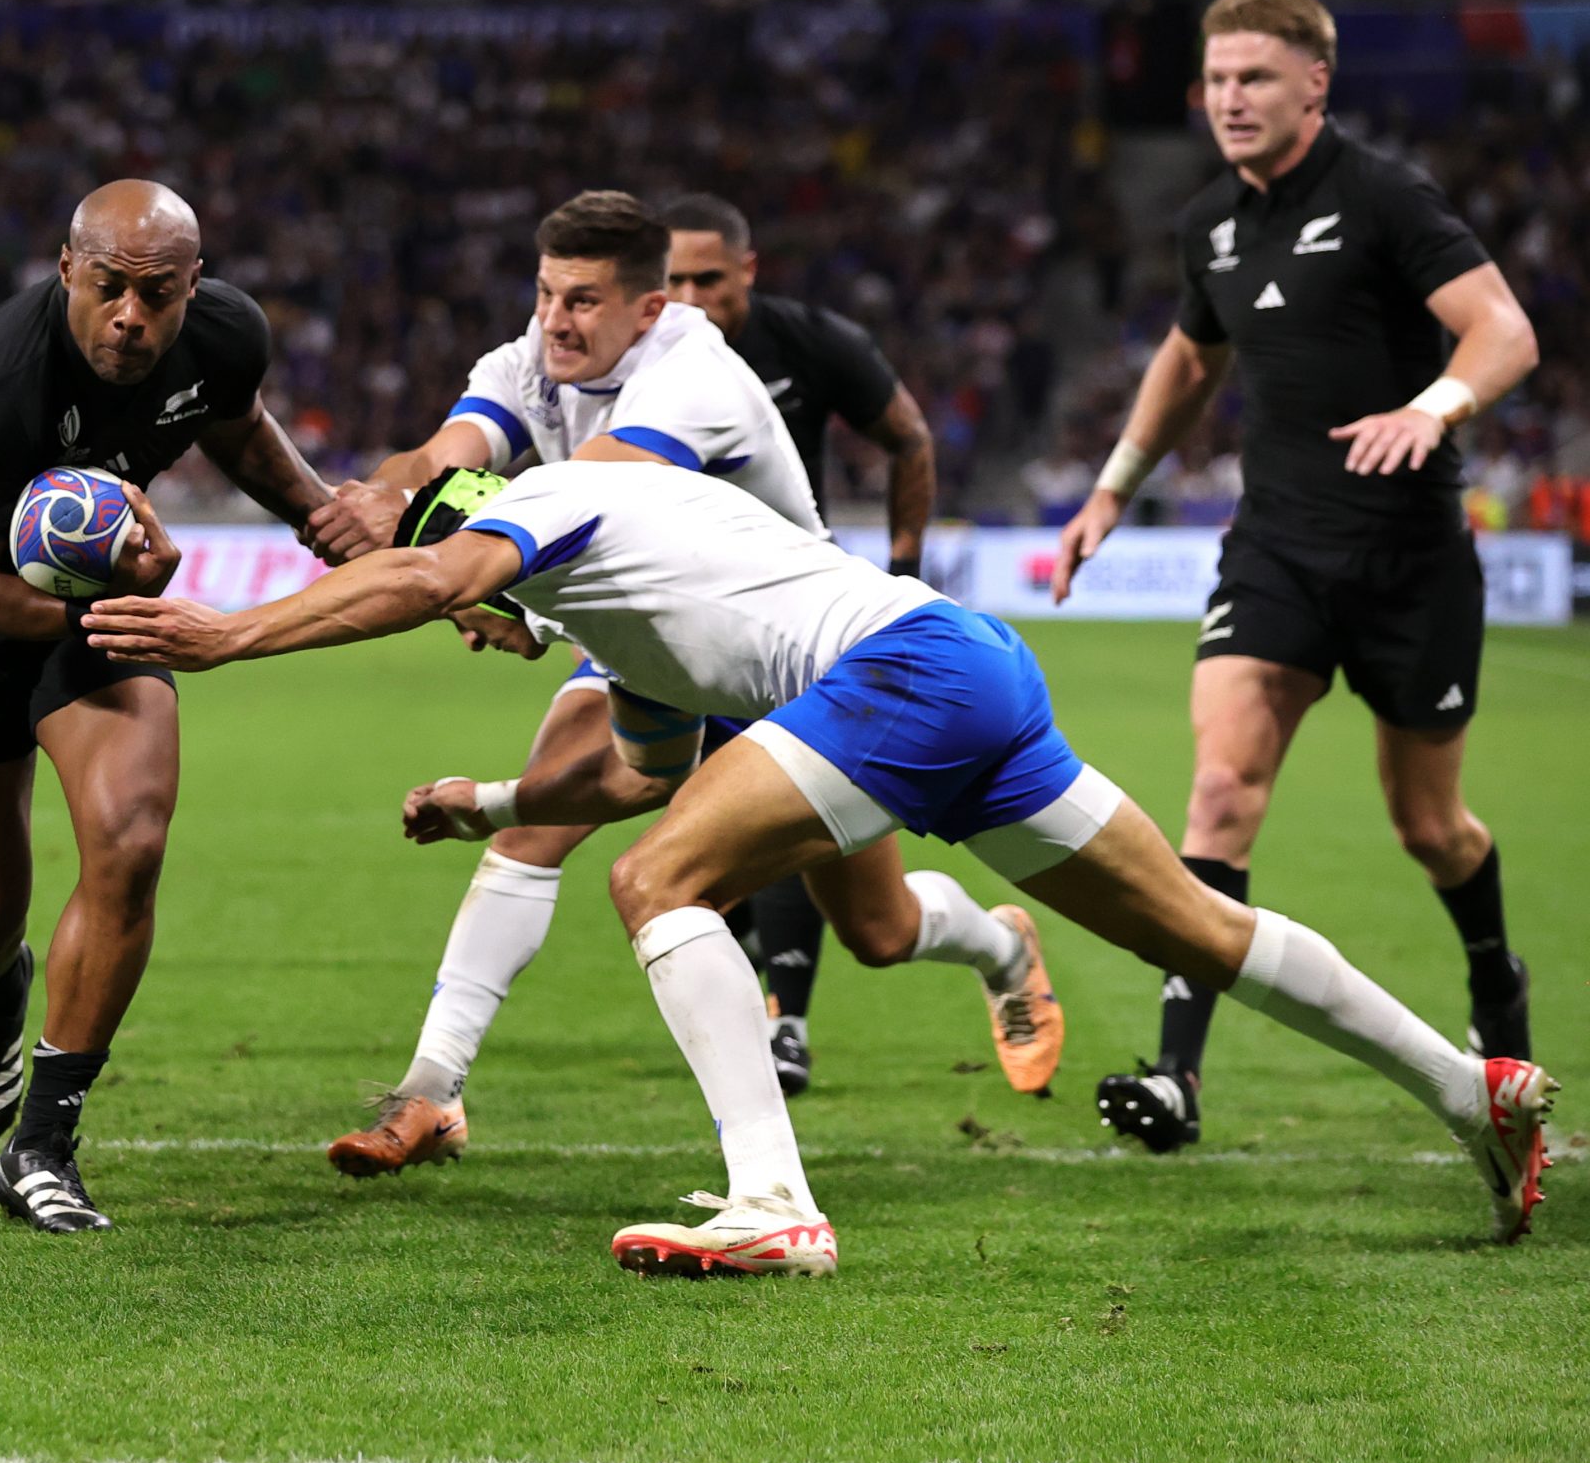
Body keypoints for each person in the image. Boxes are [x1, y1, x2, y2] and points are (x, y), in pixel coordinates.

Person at [87, 462, 1556, 1273]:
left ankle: (773, 1198)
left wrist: (226, 632)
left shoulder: (531, 504)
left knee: (654, 889)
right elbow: (632, 773)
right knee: (1198, 928)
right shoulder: (623, 607)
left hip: (907, 671)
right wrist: (483, 803)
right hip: (967, 668)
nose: (465, 624)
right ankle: (1472, 1090)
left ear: (474, 540)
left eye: (467, 605)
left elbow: (418, 574)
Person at [300, 193, 1052, 1180]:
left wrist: (506, 602)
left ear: (645, 308)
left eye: (582, 299)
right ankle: (430, 1090)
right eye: (544, 294)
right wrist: (387, 499)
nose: (555, 321)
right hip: (651, 642)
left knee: (876, 928)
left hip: (794, 648)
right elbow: (446, 455)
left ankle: (997, 947)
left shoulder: (690, 372)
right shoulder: (530, 356)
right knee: (537, 828)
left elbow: (593, 507)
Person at [1053, 0, 1542, 1153]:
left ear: (1314, 84)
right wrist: (1113, 486)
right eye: (1216, 82)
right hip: (1273, 547)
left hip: (1406, 557)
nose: (1230, 99)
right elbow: (1188, 354)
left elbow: (1504, 330)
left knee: (1431, 828)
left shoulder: (1384, 196)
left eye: (1254, 78)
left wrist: (1434, 406)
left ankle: (1495, 986)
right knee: (1219, 792)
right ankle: (1174, 1078)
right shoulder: (1209, 223)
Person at [0, 179, 331, 1233]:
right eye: (109, 289)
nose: (131, 317)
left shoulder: (224, 335)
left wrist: (319, 512)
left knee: (130, 838)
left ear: (195, 285)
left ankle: (41, 1144)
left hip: (102, 601)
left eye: (157, 293)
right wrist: (125, 589)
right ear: (67, 271)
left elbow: (234, 427)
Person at [659, 192, 941, 1094]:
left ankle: (787, 1021)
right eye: (673, 280)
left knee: (780, 804)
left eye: (710, 276)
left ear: (748, 269)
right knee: (684, 817)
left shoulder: (811, 342)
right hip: (663, 617)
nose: (693, 295)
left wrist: (903, 563)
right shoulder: (634, 360)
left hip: (783, 609)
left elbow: (909, 437)